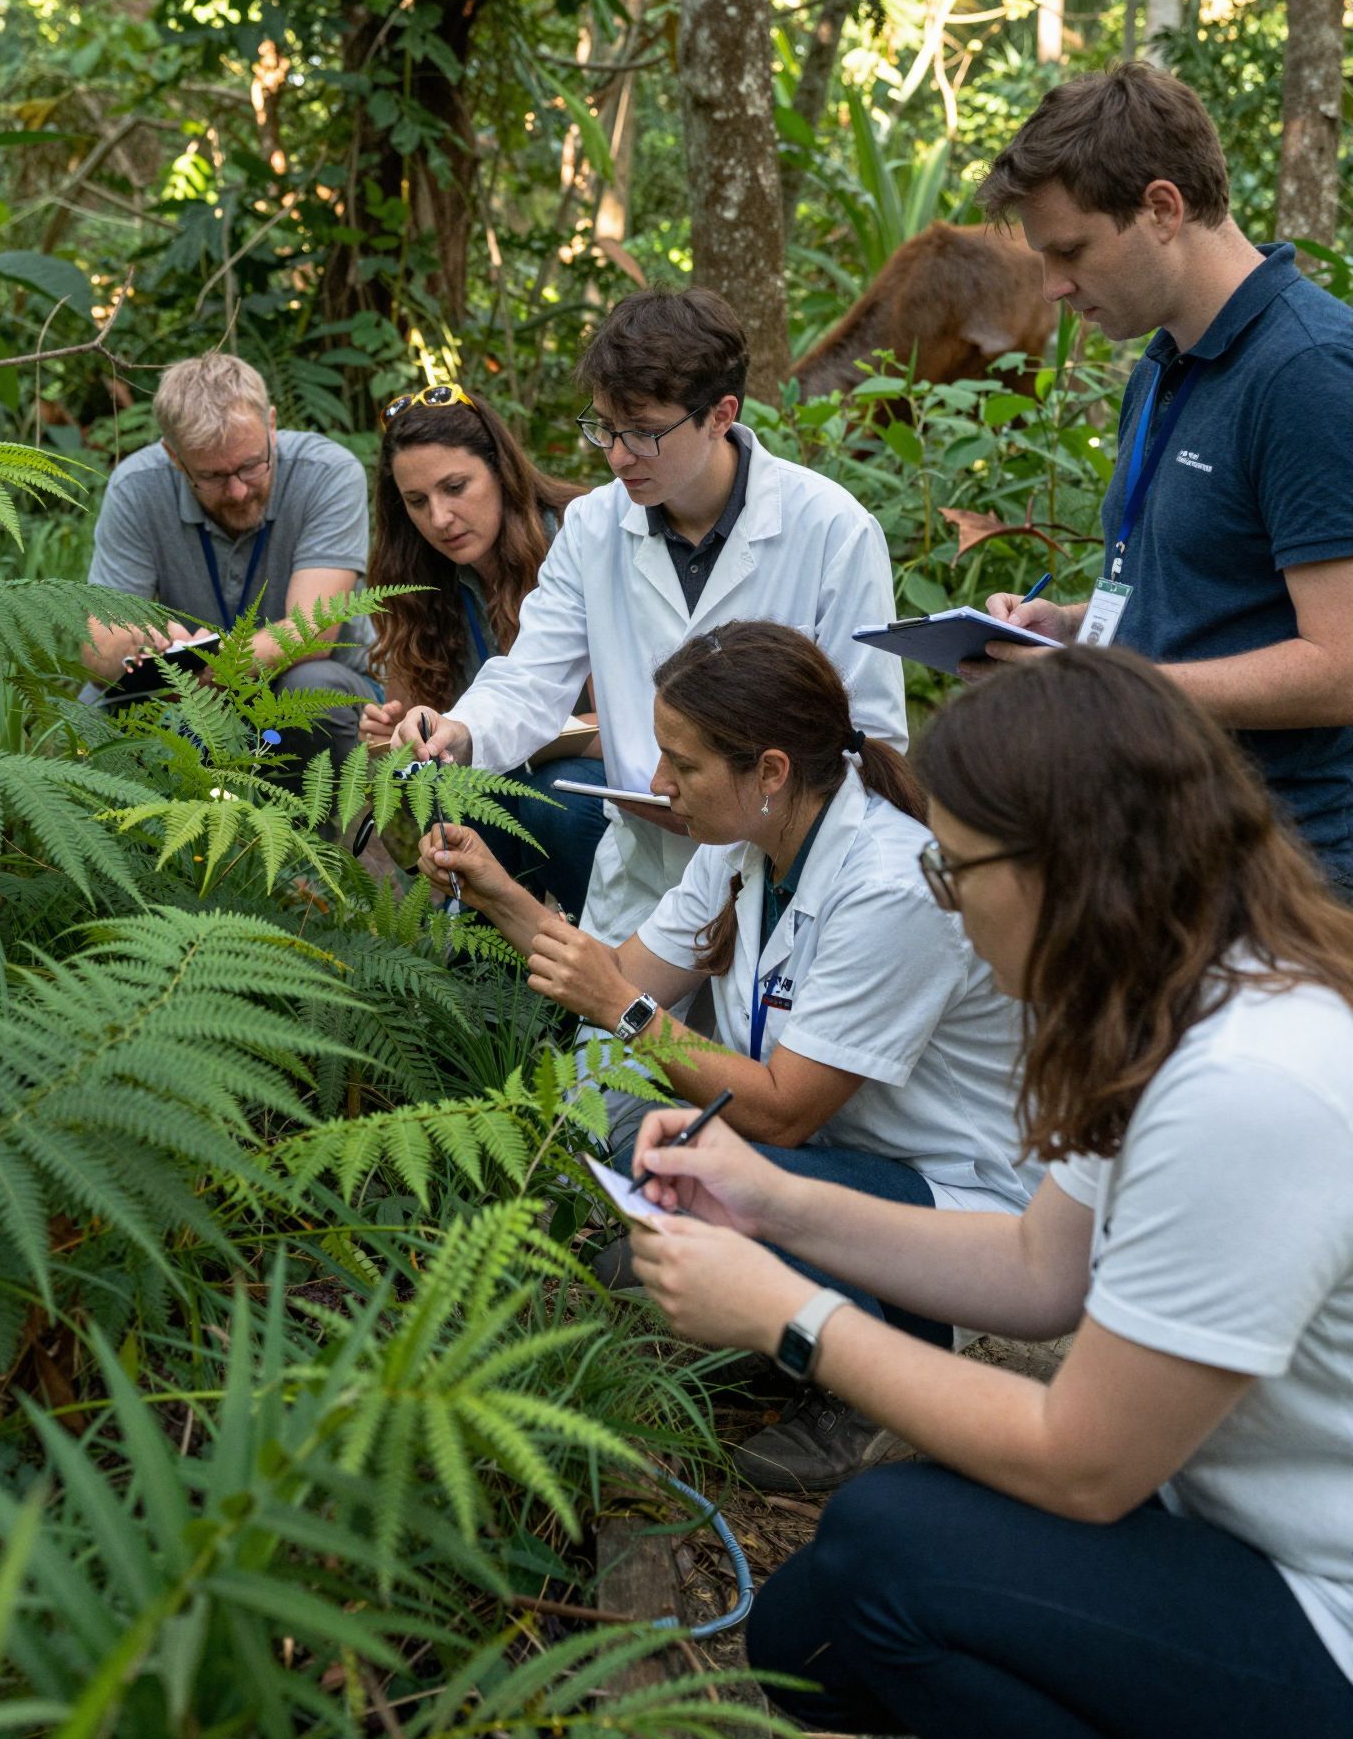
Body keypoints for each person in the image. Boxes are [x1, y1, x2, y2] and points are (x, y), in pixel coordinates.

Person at [624, 646, 1353, 1739]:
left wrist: (791, 1315)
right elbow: (1037, 1267)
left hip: (1327, 1609)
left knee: (884, 1562)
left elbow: (1083, 1460)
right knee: (816, 1633)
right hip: (1239, 1530)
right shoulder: (1174, 1005)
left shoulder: (1248, 1087)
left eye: (955, 868)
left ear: (1065, 864)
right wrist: (766, 1197)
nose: (948, 904)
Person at [416, 620, 1032, 1491]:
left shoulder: (891, 885)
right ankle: (791, 1327)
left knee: (696, 1192)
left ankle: (880, 1389)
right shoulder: (748, 845)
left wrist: (621, 1010)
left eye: (683, 764)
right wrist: (501, 895)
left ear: (770, 771)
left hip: (949, 1205)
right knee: (635, 1173)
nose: (658, 785)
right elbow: (625, 975)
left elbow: (780, 1109)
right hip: (836, 1159)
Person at [388, 287, 907, 946]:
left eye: (643, 433)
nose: (617, 455)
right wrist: (461, 731)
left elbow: (871, 738)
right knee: (611, 1012)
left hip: (787, 879)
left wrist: (743, 810)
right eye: (605, 427)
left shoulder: (832, 531)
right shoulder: (593, 527)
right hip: (642, 880)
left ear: (720, 414)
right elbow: (532, 677)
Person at [970, 61, 1353, 892]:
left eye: (1070, 250)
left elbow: (1341, 666)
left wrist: (1103, 684)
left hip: (1287, 878)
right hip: (1163, 847)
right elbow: (1201, 596)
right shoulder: (1161, 365)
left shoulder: (1309, 371)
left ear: (1163, 209)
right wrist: (1068, 630)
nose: (1054, 287)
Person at [357, 383, 609, 922]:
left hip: (599, 786)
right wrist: (398, 735)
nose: (440, 519)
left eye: (455, 487)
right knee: (460, 792)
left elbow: (638, 725)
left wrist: (524, 737)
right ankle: (488, 966)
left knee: (553, 795)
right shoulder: (414, 575)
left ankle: (605, 952)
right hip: (492, 787)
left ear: (500, 469)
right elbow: (419, 717)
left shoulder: (579, 534)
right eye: (417, 502)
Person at [81, 353, 376, 762]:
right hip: (183, 691)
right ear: (173, 456)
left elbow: (313, 632)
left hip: (307, 682)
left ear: (271, 425)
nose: (238, 491)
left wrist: (210, 666)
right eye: (213, 476)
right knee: (92, 710)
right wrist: (144, 642)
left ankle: (322, 806)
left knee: (311, 687)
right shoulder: (135, 487)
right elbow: (97, 649)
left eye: (251, 466)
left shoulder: (328, 473)